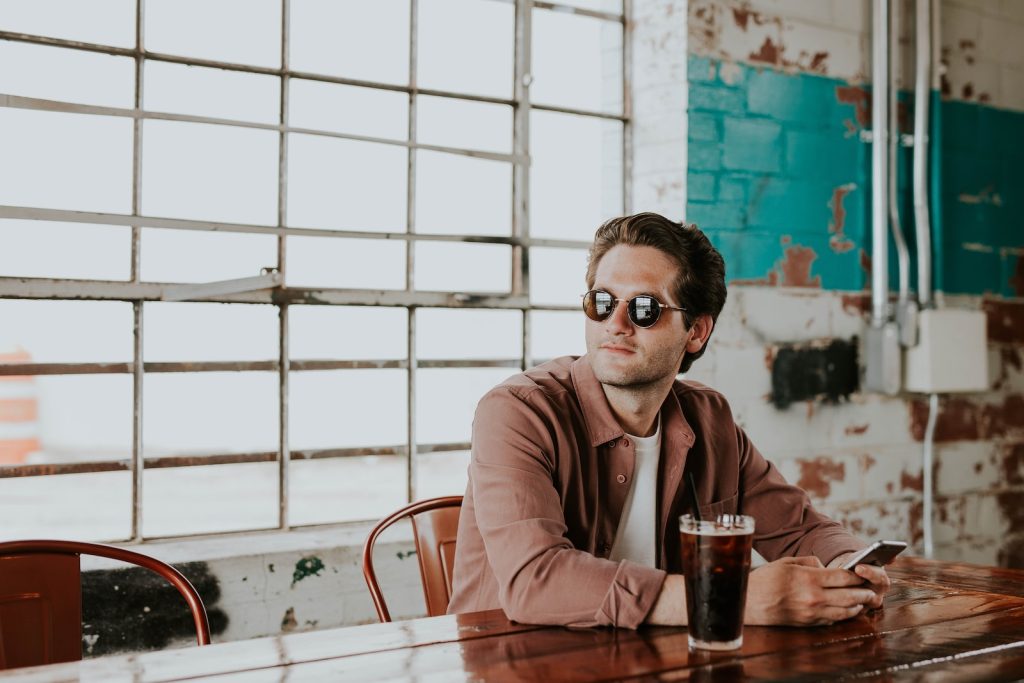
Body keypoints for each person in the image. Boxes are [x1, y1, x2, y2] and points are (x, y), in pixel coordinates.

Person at [447, 212, 890, 629]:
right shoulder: (518, 411)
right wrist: (730, 599)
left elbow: (800, 529)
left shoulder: (708, 419)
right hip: (514, 665)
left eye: (644, 308)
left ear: (696, 331)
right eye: (602, 303)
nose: (616, 324)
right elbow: (536, 581)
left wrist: (849, 568)